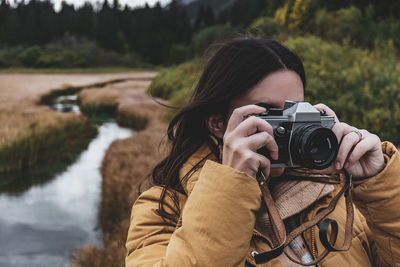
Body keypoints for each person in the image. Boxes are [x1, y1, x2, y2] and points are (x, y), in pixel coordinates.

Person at [125, 36, 400, 266]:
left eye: (293, 111)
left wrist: (379, 183)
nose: (287, 129)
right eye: (270, 114)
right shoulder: (161, 211)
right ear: (218, 124)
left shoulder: (338, 192)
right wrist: (232, 184)